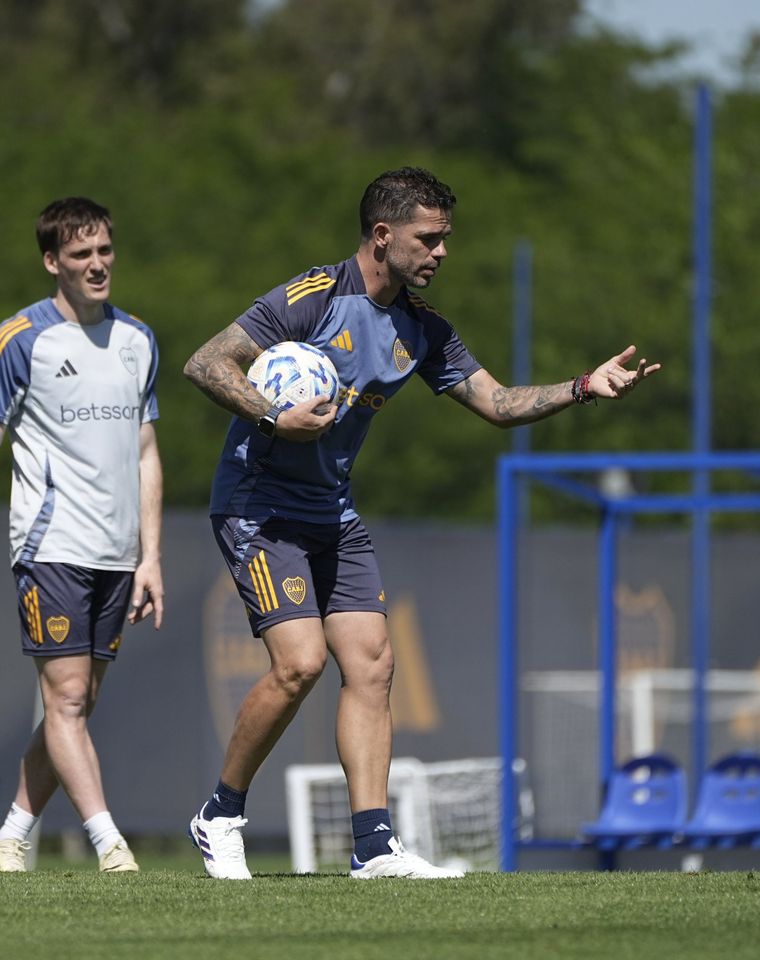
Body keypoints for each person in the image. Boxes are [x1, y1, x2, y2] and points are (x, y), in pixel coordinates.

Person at [184, 166, 660, 880]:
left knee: (372, 663)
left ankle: (374, 847)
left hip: (330, 509)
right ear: (383, 235)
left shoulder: (423, 328)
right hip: (258, 505)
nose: (440, 252)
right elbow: (206, 362)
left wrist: (583, 387)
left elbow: (497, 404)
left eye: (444, 239)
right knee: (302, 663)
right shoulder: (313, 298)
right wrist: (272, 413)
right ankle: (219, 813)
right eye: (428, 239)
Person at [0, 197, 164, 873]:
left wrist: (151, 556)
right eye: (80, 255)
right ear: (51, 263)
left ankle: (12, 832)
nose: (97, 265)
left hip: (119, 554)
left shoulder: (137, 340)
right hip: (52, 546)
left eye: (103, 250)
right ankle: (110, 845)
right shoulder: (20, 340)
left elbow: (147, 452)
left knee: (78, 702)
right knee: (65, 699)